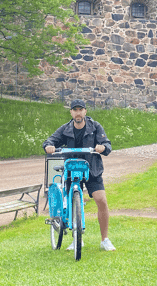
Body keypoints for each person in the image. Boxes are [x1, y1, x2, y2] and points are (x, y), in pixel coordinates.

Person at [43, 99, 116, 252]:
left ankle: (105, 240)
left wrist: (102, 147)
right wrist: (48, 146)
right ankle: (77, 239)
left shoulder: (95, 127)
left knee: (101, 200)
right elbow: (50, 140)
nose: (78, 112)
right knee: (71, 203)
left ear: (85, 112)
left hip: (91, 169)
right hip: (71, 169)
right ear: (71, 112)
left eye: (80, 109)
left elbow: (107, 145)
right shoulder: (65, 129)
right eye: (75, 110)